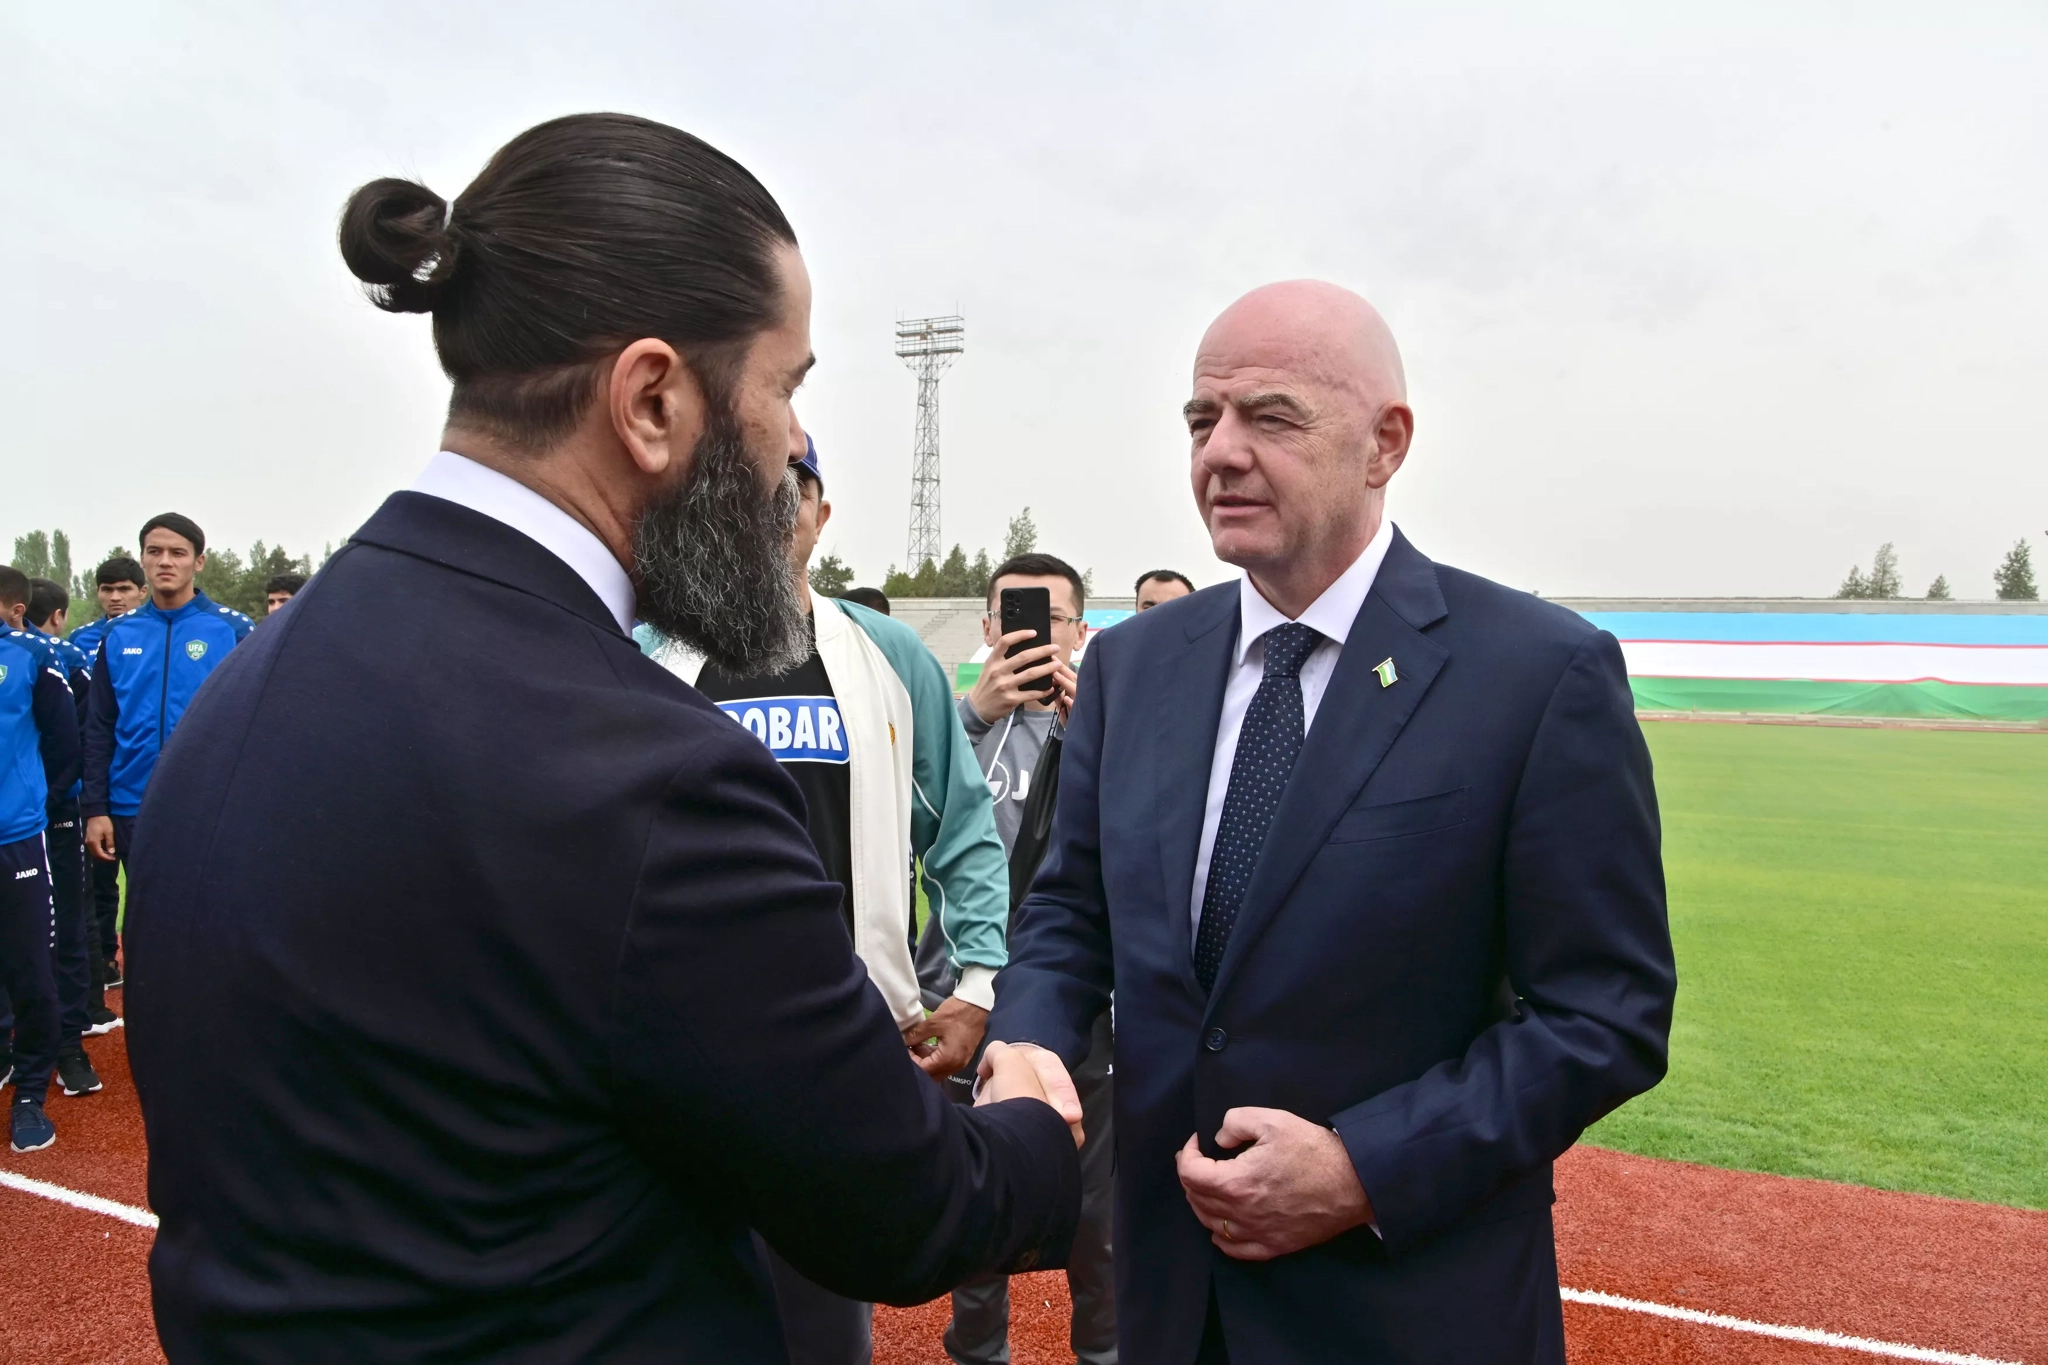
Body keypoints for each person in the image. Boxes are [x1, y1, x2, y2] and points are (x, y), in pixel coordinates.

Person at [125, 112, 1081, 1363]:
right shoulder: (651, 775)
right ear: (649, 400)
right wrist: (1032, 1127)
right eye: (784, 386)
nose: (793, 442)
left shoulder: (248, 691)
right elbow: (900, 1213)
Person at [986, 281, 1676, 1364]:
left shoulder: (1535, 674)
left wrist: (1366, 1166)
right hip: (1168, 1304)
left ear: (1384, 443)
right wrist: (1025, 1034)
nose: (1218, 452)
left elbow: (1606, 1012)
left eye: (1268, 417)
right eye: (1198, 421)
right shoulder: (1132, 665)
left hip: (1408, 1312)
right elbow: (1070, 909)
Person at [651, 434, 1014, 1365]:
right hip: (675, 1044)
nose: (774, 497)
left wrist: (976, 982)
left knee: (822, 1322)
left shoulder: (886, 652)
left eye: (795, 481)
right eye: (746, 481)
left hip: (845, 1047)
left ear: (821, 513)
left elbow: (964, 826)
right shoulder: (645, 655)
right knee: (672, 1300)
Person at [944, 553, 1117, 1365]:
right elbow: (898, 825)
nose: (1035, 634)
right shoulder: (945, 726)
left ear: (1081, 632)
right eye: (1017, 616)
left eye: (1054, 619)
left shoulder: (1111, 726)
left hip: (1084, 1010)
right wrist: (967, 722)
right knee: (978, 1214)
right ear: (987, 629)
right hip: (971, 1001)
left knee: (1100, 1226)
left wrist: (1099, 736)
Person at [81, 515, 252, 947]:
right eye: (154, 552)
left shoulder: (232, 630)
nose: (165, 562)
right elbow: (100, 725)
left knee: (212, 916)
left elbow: (256, 725)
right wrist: (95, 807)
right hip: (129, 803)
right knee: (149, 920)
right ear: (143, 560)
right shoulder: (119, 634)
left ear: (199, 562)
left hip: (208, 803)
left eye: (177, 553)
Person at [0, 568, 81, 1153]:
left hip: (17, 841)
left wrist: (36, 802)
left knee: (31, 970)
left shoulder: (32, 657)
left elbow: (65, 743)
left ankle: (29, 1094)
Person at [22, 578, 109, 1095]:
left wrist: (50, 798)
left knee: (66, 928)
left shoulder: (56, 658)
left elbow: (77, 739)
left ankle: (70, 1042)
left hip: (52, 816)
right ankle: (13, 1039)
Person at [66, 556, 144, 986]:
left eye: (124, 589)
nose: (115, 597)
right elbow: (92, 720)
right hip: (103, 779)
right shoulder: (83, 639)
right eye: (107, 589)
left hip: (157, 782)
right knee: (101, 876)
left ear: (141, 591)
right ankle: (107, 958)